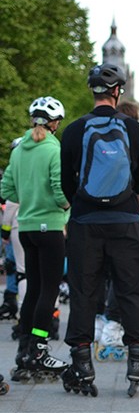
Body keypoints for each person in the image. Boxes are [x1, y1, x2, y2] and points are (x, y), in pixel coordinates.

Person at [60, 63, 139, 397]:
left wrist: (86, 206)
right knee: (131, 289)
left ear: (93, 91)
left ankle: (83, 363)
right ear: (118, 92)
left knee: (85, 291)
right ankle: (138, 359)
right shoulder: (133, 129)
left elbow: (66, 183)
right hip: (125, 222)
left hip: (85, 223)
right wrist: (129, 202)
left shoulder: (73, 130)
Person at [1, 96, 69, 382]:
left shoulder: (19, 150)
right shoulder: (54, 149)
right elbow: (59, 190)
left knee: (33, 288)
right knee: (49, 291)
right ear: (54, 123)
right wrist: (67, 205)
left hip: (26, 228)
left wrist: (28, 199)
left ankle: (24, 351)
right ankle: (40, 350)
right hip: (50, 227)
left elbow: (7, 189)